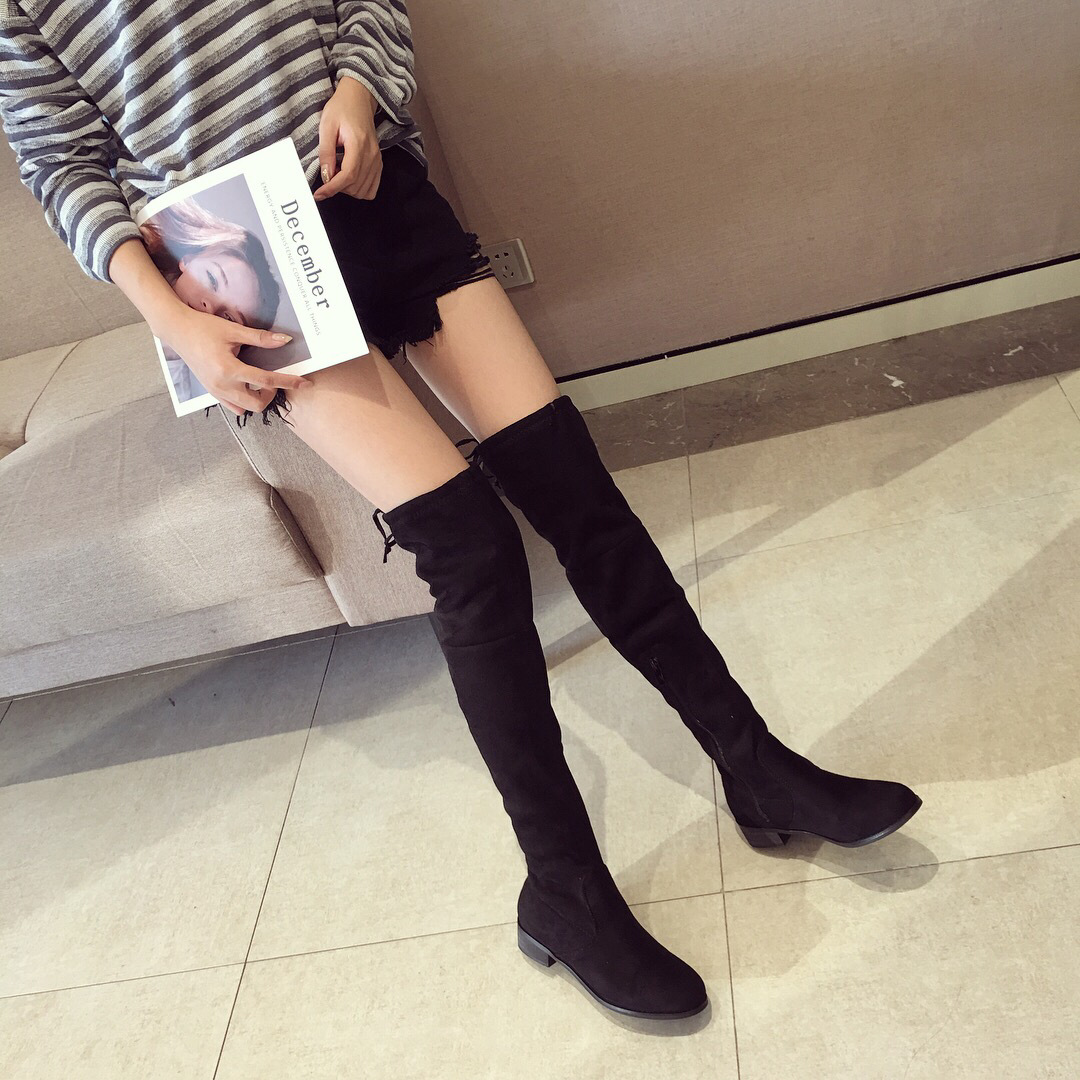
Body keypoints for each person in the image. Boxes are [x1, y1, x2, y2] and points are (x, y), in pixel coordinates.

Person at [0, 1, 921, 1023]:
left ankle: (758, 771)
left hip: (375, 196)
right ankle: (564, 891)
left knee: (578, 492)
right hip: (241, 268)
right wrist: (174, 321)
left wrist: (360, 89)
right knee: (471, 551)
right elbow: (59, 157)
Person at [141, 198, 284, 401]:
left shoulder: (188, 387)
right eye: (212, 280)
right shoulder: (138, 250)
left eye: (229, 318)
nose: (209, 308)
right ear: (188, 260)